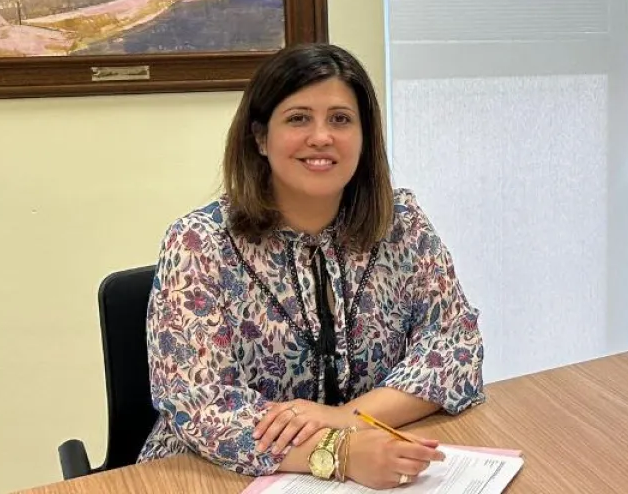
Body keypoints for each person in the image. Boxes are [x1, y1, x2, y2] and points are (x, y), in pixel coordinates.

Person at [139, 43, 486, 488]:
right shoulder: (198, 243)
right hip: (210, 475)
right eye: (298, 118)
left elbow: (456, 348)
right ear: (260, 138)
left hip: (370, 464)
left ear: (364, 136)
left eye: (340, 119)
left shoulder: (402, 225)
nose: (321, 137)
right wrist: (337, 453)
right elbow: (201, 406)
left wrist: (344, 418)